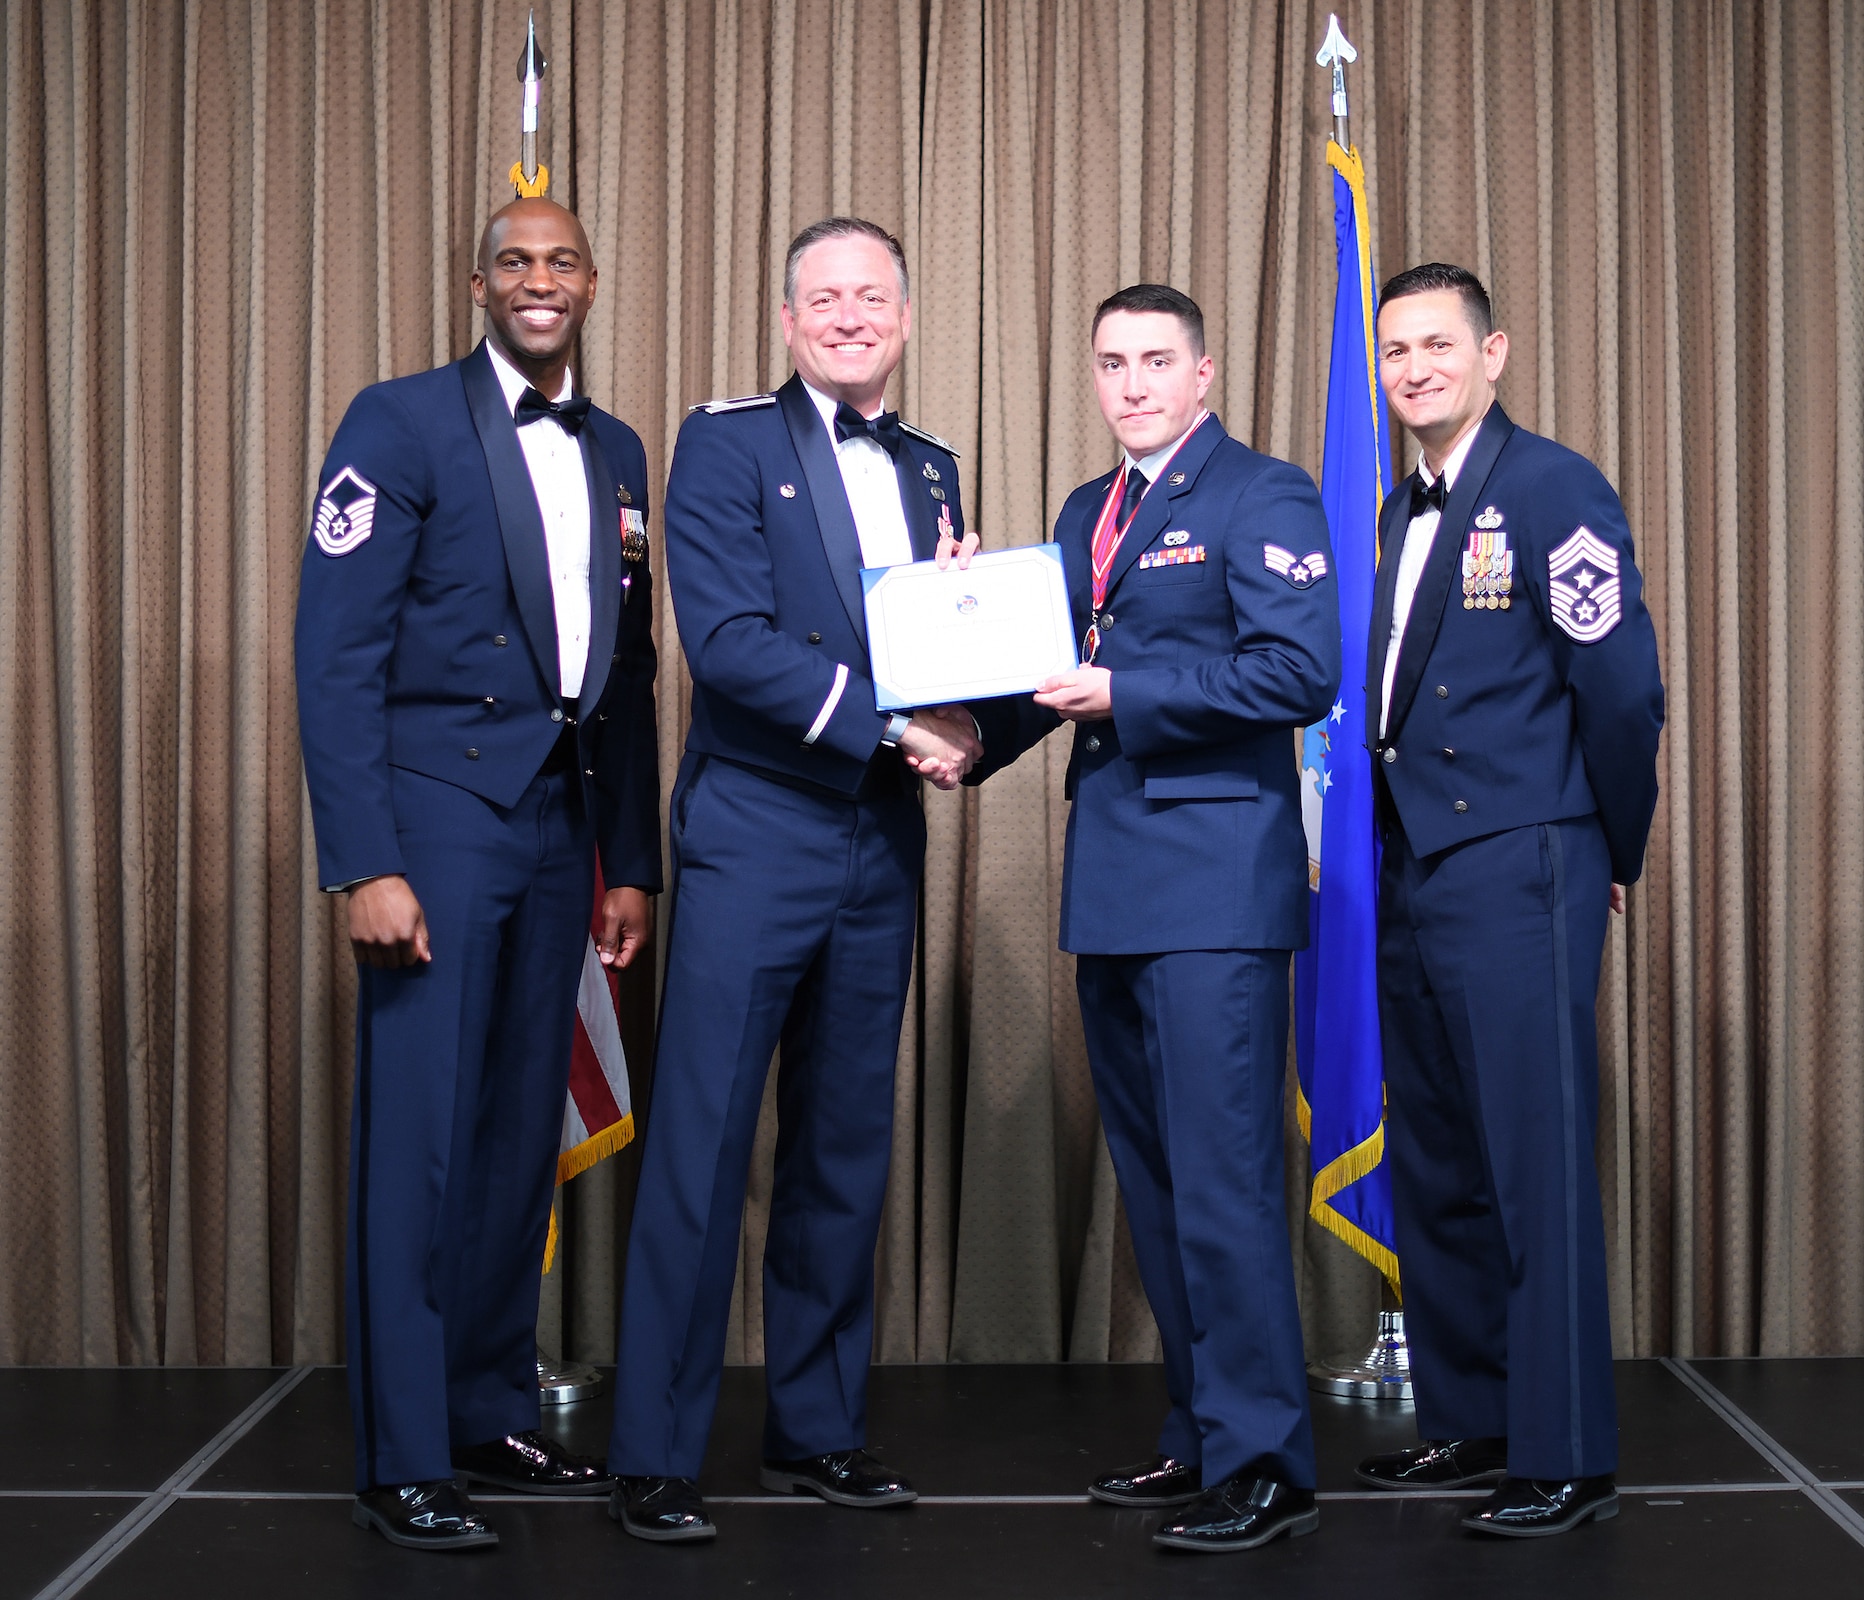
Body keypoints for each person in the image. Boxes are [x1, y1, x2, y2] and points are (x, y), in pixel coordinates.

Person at [606, 217, 982, 1544]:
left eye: (870, 295)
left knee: (843, 1149)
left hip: (881, 846)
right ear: (786, 319)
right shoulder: (724, 440)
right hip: (755, 838)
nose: (847, 316)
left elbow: (943, 653)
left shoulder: (932, 466)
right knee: (704, 1144)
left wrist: (973, 712)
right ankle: (653, 1450)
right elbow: (727, 644)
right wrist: (896, 721)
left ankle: (817, 1430)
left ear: (906, 313)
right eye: (823, 297)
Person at [294, 198, 663, 1550]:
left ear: (590, 282)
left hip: (564, 832)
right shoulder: (396, 421)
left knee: (519, 1133)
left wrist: (633, 862)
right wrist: (364, 862)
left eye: (560, 261)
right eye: (513, 262)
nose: (538, 280)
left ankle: (486, 1408)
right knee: (422, 1142)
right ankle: (402, 1455)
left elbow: (627, 675)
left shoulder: (620, 451)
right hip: (435, 826)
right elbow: (333, 657)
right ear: (476, 285)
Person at [969, 284, 1338, 1553]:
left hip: (1215, 889)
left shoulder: (1261, 492)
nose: (1130, 384)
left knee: (1226, 1185)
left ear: (1203, 375)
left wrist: (1126, 688)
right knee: (1163, 1182)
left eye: (1154, 362)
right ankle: (1200, 1432)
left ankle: (1265, 1465)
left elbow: (1299, 670)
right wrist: (960, 731)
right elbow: (1049, 674)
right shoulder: (1085, 512)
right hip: (1118, 889)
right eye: (1111, 363)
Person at [1351, 263, 1664, 1538]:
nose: (1413, 367)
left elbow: (1620, 689)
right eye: (1394, 350)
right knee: (1440, 1160)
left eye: (1437, 344)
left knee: (1532, 1163)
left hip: (1522, 859)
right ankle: (1469, 1419)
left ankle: (1563, 1451)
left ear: (1494, 354)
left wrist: (1609, 849)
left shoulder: (1552, 487)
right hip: (1413, 867)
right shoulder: (1391, 510)